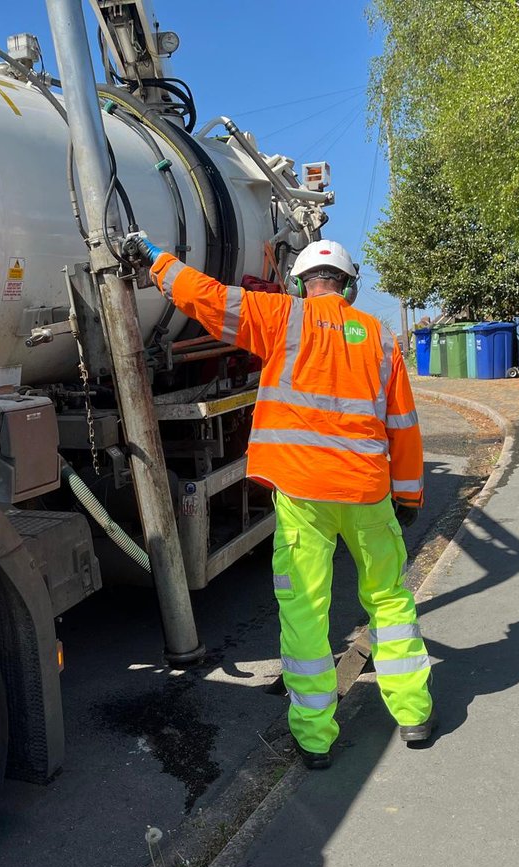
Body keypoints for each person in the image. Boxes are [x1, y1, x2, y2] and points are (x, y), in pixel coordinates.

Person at [125, 234, 434, 769]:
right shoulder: (380, 337)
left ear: (299, 283)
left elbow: (206, 297)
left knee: (305, 611)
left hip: (302, 494)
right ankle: (414, 714)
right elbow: (403, 424)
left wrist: (157, 260)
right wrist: (408, 494)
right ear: (349, 287)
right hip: (366, 491)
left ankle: (315, 739)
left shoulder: (281, 317)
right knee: (388, 599)